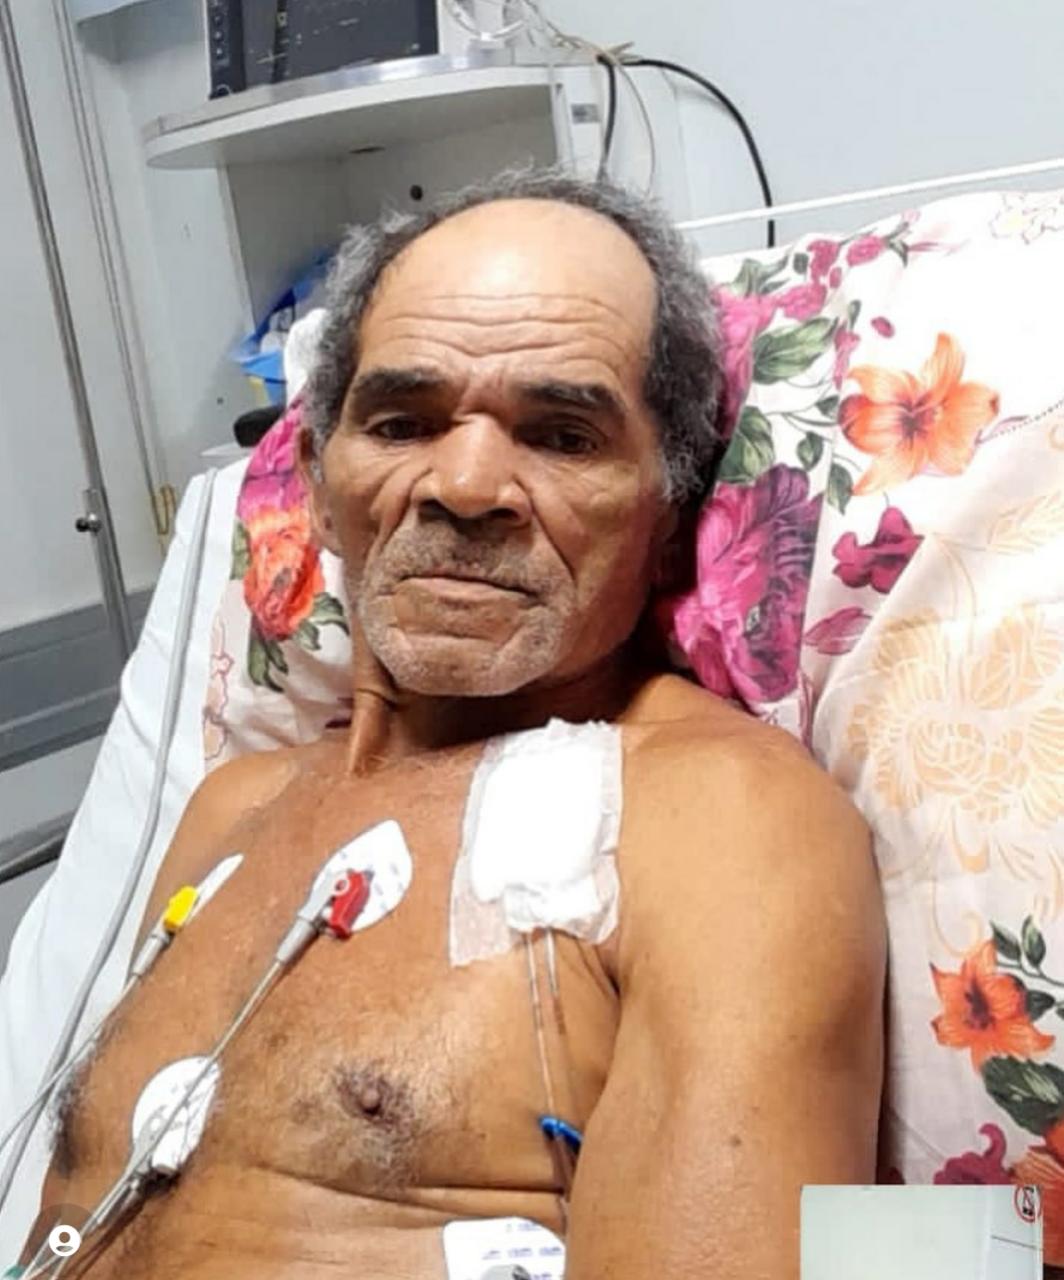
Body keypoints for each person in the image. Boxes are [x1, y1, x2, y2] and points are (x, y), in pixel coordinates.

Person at [22, 170, 885, 1279]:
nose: (466, 484)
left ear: (669, 516)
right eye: (402, 422)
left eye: (562, 435)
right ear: (319, 483)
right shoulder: (229, 806)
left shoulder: (715, 820)